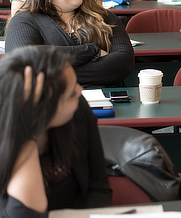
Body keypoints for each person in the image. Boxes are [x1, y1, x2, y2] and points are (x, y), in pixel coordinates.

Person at [0, 46, 112, 217]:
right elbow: (23, 214)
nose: (80, 90)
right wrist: (29, 131)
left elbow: (99, 189)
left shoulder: (78, 110)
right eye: (71, 93)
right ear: (43, 107)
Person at [5, 0, 134, 89]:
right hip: (52, 107)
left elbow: (124, 63)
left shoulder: (104, 17)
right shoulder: (24, 21)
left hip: (111, 105)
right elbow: (24, 61)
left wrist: (51, 76)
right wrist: (91, 51)